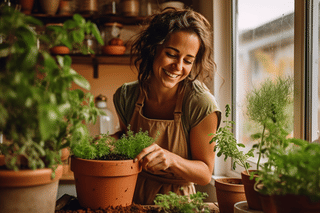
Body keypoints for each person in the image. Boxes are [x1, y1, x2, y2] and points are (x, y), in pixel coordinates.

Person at [113, 7, 221, 205]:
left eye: (188, 60)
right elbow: (126, 138)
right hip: (129, 196)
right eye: (171, 54)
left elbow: (205, 173)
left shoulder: (199, 103)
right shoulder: (126, 96)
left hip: (177, 203)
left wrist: (171, 160)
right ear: (154, 48)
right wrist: (108, 142)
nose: (178, 67)